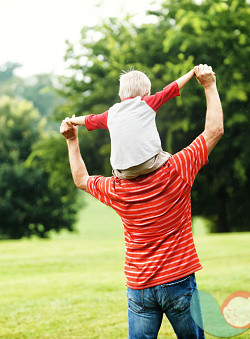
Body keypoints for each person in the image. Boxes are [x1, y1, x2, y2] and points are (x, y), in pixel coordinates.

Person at [60, 64, 223, 339]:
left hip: (139, 287)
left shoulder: (116, 189)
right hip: (178, 280)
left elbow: (81, 179)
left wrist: (72, 139)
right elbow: (214, 130)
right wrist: (209, 85)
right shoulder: (177, 170)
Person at [69, 68, 195, 180]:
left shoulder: (111, 113)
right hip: (150, 164)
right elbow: (171, 89)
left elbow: (90, 119)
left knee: (119, 168)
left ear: (120, 95)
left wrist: (72, 120)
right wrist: (192, 72)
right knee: (167, 157)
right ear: (146, 94)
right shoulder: (146, 102)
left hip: (123, 172)